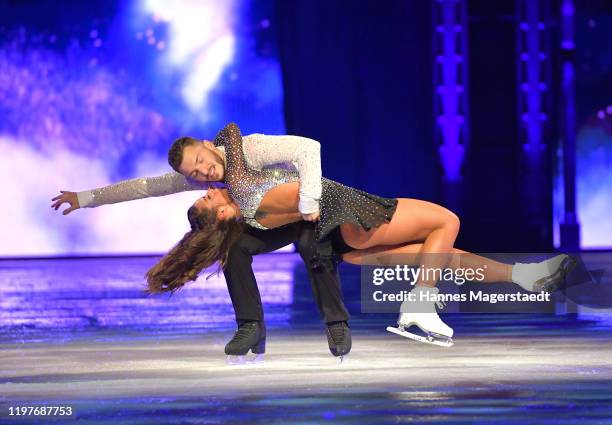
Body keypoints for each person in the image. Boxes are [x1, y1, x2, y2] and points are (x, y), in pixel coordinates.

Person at [146, 123, 576, 347]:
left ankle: (523, 277)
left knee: (437, 252)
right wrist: (312, 197)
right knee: (446, 221)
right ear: (220, 214)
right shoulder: (244, 194)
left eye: (201, 177)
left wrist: (87, 197)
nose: (204, 186)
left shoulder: (245, 201)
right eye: (204, 197)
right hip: (349, 213)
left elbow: (147, 186)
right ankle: (420, 309)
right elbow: (294, 167)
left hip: (346, 242)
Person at [51, 128, 353, 360]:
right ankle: (251, 326)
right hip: (266, 220)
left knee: (315, 243)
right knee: (232, 246)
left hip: (304, 210)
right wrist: (84, 198)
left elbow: (308, 148)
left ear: (208, 146)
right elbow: (145, 187)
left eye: (200, 162)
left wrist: (308, 200)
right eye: (193, 173)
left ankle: (336, 322)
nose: (203, 173)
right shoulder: (197, 179)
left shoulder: (251, 148)